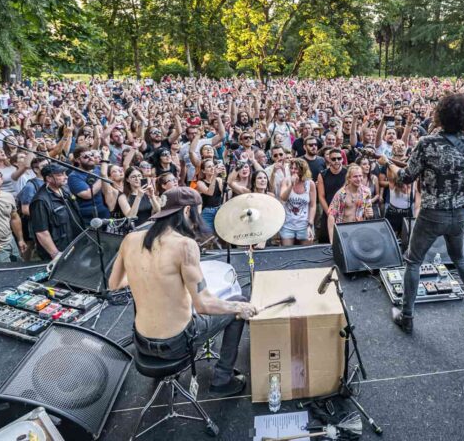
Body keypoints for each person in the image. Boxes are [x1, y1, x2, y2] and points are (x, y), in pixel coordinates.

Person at [109, 187, 258, 396]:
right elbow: (203, 305)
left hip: (141, 341)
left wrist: (144, 275)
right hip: (176, 343)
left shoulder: (130, 239)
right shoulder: (184, 245)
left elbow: (114, 283)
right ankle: (222, 379)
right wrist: (240, 307)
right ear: (187, 211)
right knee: (238, 302)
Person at [378, 93, 464, 334]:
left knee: (413, 261)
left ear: (439, 115)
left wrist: (389, 164)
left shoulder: (427, 143)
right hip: (460, 213)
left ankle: (407, 316)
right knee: (461, 259)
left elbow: (406, 177)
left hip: (431, 213)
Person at [29, 163, 82, 260]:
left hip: (75, 243)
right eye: (60, 175)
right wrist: (55, 254)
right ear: (49, 178)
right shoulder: (40, 201)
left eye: (65, 174)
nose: (65, 177)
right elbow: (41, 232)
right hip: (60, 249)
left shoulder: (65, 189)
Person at [279, 158, 317, 246]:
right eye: (291, 168)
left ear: (302, 170)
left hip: (304, 224)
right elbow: (283, 198)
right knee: (288, 253)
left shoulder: (310, 184)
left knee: (305, 253)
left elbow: (312, 205)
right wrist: (291, 185)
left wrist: (310, 224)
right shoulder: (286, 181)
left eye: (296, 168)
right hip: (288, 224)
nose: (293, 171)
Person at [316, 148, 347, 244]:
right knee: (326, 240)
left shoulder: (347, 173)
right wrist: (329, 213)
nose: (337, 161)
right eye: (333, 159)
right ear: (329, 160)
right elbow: (321, 196)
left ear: (342, 159)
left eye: (339, 158)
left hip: (345, 212)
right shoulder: (323, 174)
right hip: (328, 210)